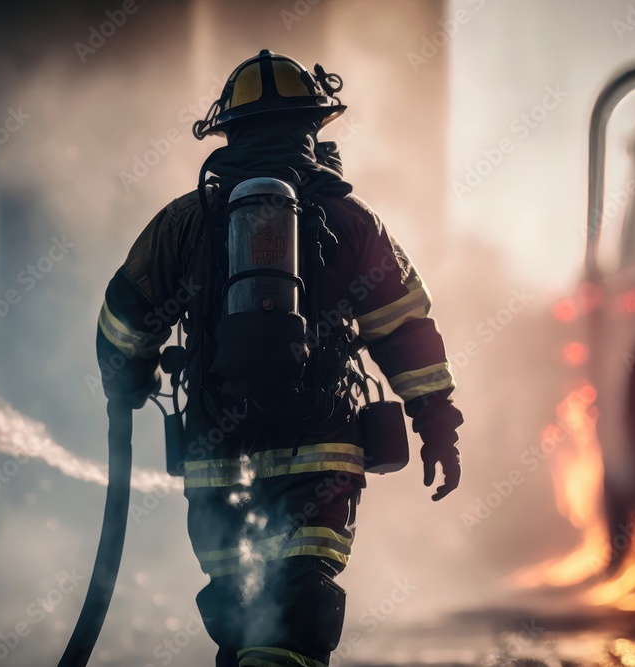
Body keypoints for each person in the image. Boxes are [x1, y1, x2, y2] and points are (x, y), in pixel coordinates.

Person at [96, 50, 464, 667]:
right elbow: (406, 332)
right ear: (312, 128)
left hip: (218, 458)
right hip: (320, 455)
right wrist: (437, 427)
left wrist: (129, 383)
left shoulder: (183, 224)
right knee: (299, 608)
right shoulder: (351, 222)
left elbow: (123, 321)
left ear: (228, 131)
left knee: (240, 614)